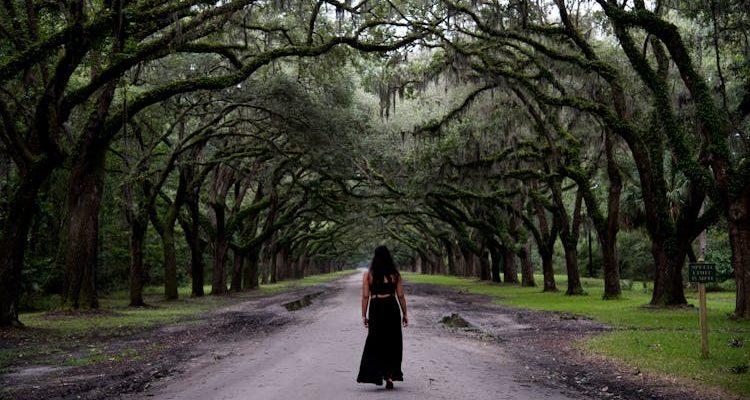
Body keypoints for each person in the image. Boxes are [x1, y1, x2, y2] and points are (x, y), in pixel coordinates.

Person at [356, 245, 408, 389]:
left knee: (376, 340)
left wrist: (363, 315)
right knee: (393, 340)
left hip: (376, 307)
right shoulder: (395, 274)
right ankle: (389, 375)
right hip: (391, 306)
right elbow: (401, 296)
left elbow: (365, 296)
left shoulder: (368, 274)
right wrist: (405, 314)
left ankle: (378, 373)